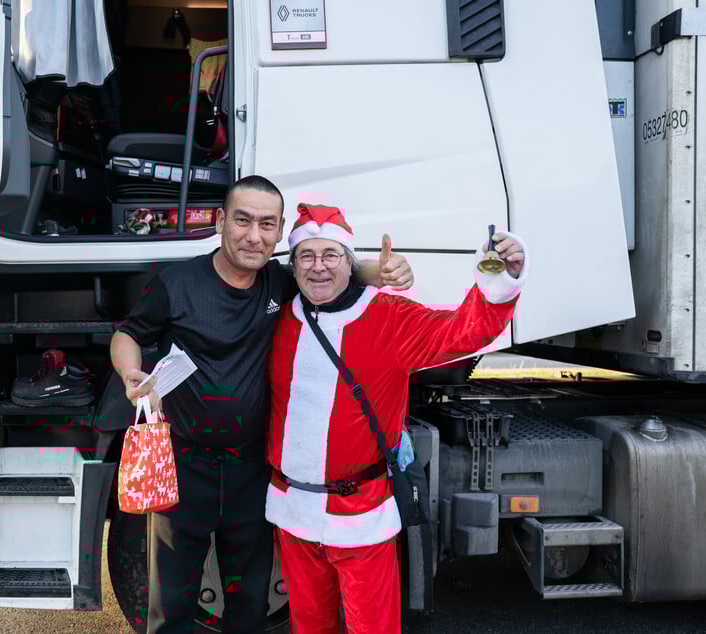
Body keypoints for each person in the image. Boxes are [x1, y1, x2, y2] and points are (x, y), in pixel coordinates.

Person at [109, 176, 415, 634]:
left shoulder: (280, 281)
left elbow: (331, 270)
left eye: (266, 224)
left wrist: (377, 271)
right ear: (220, 222)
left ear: (279, 232)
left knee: (249, 605)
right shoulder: (178, 283)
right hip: (183, 466)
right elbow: (128, 333)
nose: (254, 236)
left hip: (252, 472)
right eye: (243, 221)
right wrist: (130, 371)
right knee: (169, 607)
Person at [266, 203, 527, 634]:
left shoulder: (387, 315)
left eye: (330, 255)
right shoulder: (277, 316)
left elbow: (463, 330)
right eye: (307, 256)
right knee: (308, 627)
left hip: (362, 515)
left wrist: (500, 277)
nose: (318, 268)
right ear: (292, 264)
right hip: (293, 512)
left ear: (350, 262)